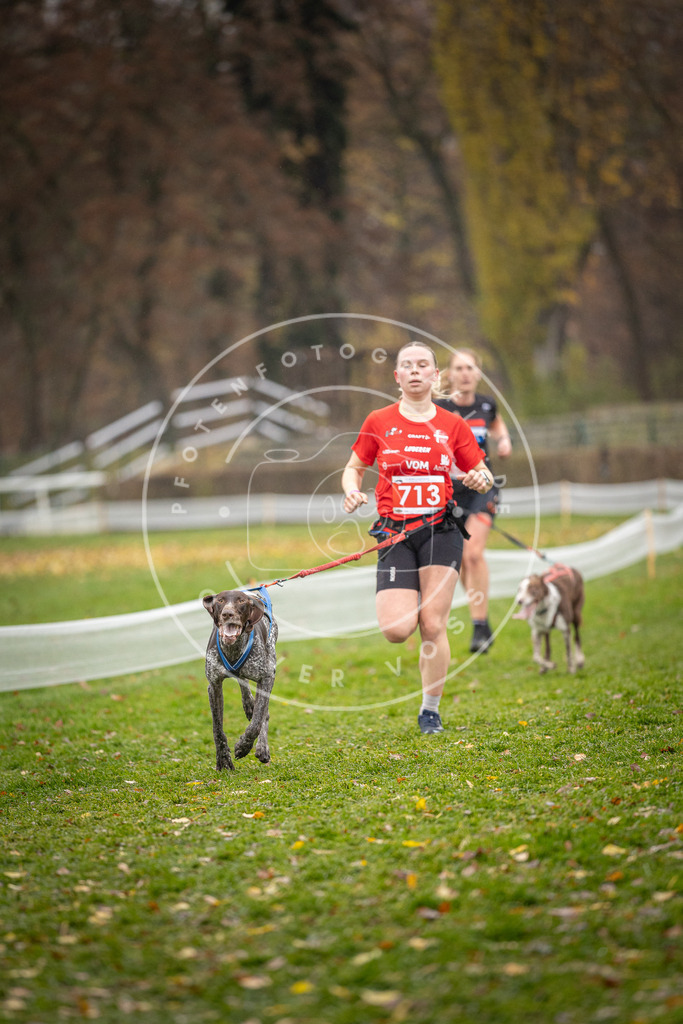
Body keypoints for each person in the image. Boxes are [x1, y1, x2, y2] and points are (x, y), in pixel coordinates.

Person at [341, 341, 493, 735]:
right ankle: (427, 697)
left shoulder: (451, 424)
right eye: (406, 365)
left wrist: (479, 477)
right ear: (396, 376)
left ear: (434, 375)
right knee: (396, 630)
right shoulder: (378, 420)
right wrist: (351, 491)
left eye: (422, 365)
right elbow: (354, 467)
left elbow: (482, 472)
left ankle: (430, 710)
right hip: (395, 532)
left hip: (440, 531)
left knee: (433, 624)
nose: (414, 371)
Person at [435, 348, 512, 654]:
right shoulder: (439, 408)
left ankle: (479, 627)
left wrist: (504, 440)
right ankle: (481, 621)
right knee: (462, 558)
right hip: (449, 492)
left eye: (470, 368)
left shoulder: (486, 404)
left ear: (478, 373)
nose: (465, 373)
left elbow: (496, 423)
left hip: (483, 489)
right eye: (459, 368)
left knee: (473, 553)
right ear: (449, 374)